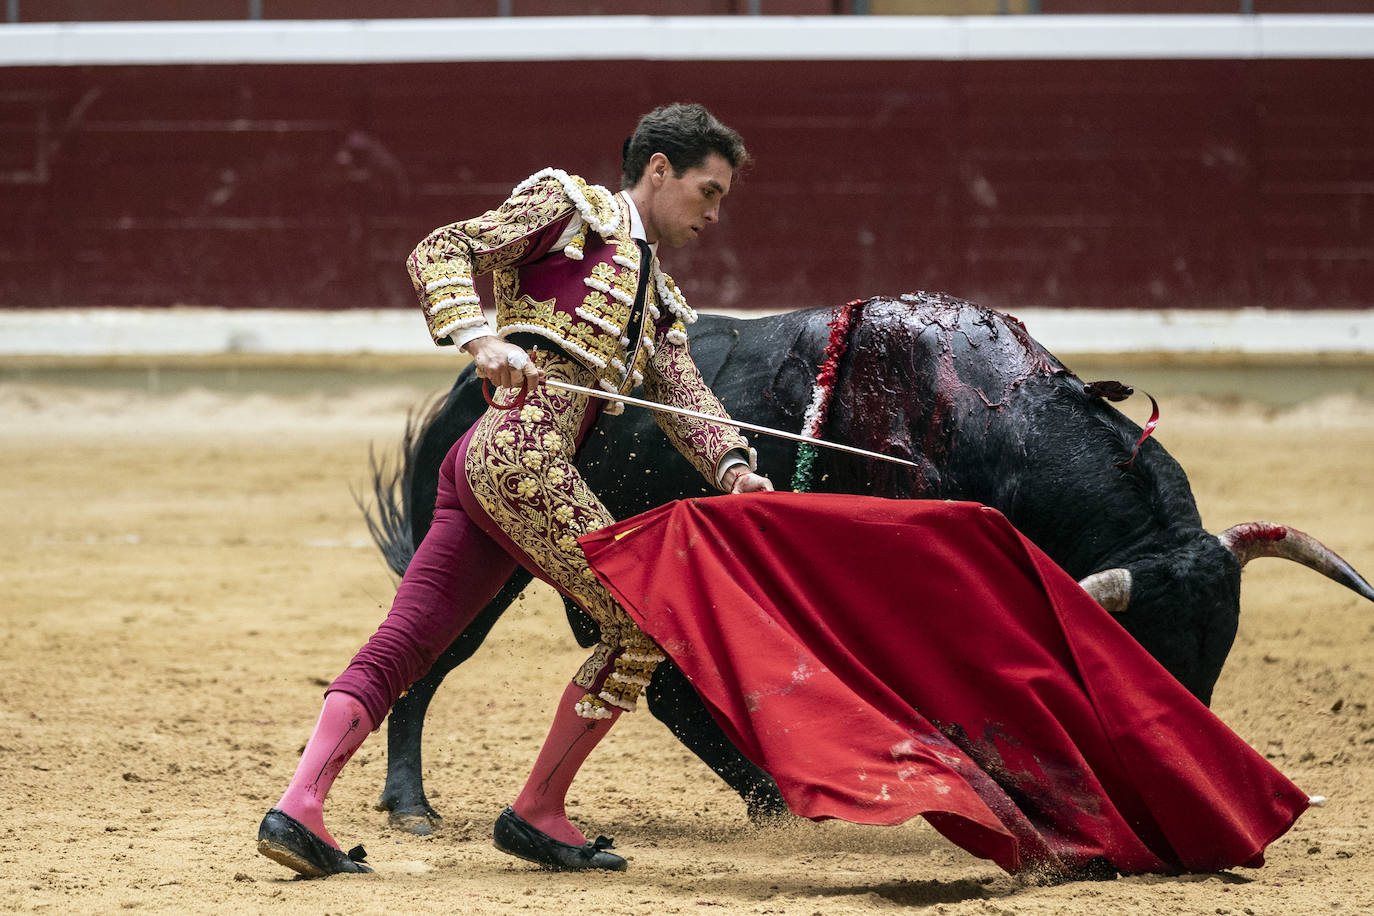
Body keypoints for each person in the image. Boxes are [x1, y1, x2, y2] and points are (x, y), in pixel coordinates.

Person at [256, 103, 773, 878]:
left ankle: (299, 809)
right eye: (709, 191)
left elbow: (688, 396)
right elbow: (442, 249)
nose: (715, 212)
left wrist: (734, 469)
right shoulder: (570, 210)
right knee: (640, 622)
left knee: (408, 641)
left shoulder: (657, 299)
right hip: (524, 459)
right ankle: (537, 810)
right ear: (659, 171)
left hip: (487, 467)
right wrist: (481, 339)